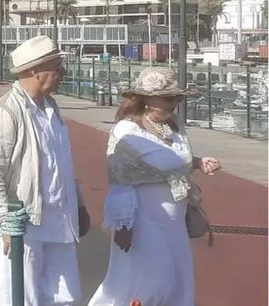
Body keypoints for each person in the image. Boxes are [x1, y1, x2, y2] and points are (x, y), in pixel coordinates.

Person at [88, 68, 222, 306]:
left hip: (173, 223)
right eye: (168, 98)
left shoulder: (174, 126)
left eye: (177, 98)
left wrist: (199, 163)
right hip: (144, 221)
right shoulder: (127, 131)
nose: (175, 103)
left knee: (176, 279)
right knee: (148, 282)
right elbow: (121, 180)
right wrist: (123, 225)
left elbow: (176, 160)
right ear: (147, 99)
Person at [0, 35, 90, 306]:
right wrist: (6, 221)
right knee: (22, 297)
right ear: (34, 71)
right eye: (57, 67)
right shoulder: (5, 111)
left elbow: (61, 163)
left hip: (58, 219)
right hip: (23, 223)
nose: (63, 73)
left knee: (65, 297)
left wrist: (80, 205)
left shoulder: (51, 108)